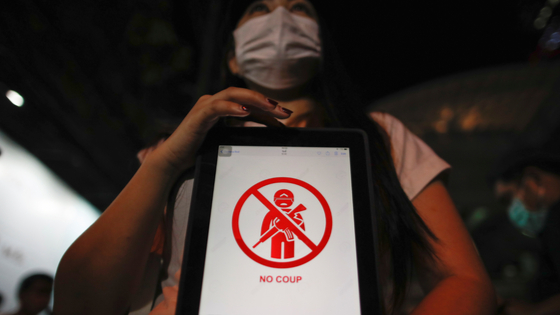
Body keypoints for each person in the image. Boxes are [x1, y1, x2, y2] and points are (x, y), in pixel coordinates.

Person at [53, 1, 496, 314]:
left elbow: (464, 282)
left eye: (300, 8)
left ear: (321, 45)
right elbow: (80, 304)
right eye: (259, 9)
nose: (281, 18)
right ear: (232, 54)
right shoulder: (179, 147)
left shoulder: (380, 137)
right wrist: (165, 161)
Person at [492, 148, 560, 315]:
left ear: (531, 178)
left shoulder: (556, 219)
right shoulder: (550, 227)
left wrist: (535, 311)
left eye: (509, 198)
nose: (512, 209)